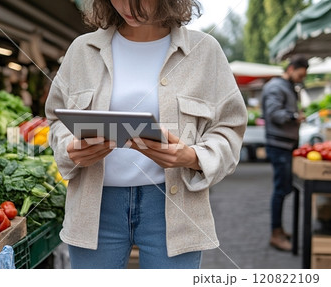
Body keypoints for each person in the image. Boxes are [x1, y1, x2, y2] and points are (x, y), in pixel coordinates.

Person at [45, 0, 247, 269]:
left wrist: (192, 156)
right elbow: (56, 119)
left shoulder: (204, 51)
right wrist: (70, 148)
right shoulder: (82, 51)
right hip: (95, 208)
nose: (128, 5)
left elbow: (230, 127)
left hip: (174, 206)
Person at [262, 55, 309, 251]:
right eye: (300, 74)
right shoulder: (275, 87)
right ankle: (275, 233)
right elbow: (273, 114)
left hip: (286, 146)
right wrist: (293, 116)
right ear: (290, 69)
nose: (301, 79)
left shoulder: (288, 87)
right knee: (281, 190)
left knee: (284, 188)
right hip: (279, 146)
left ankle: (279, 229)